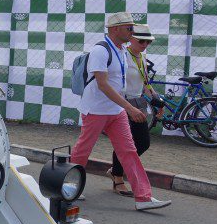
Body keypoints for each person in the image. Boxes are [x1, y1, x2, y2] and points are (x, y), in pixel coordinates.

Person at [70, 12, 170, 211]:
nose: (132, 32)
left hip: (116, 110)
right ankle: (70, 185)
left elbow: (127, 82)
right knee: (83, 150)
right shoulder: (100, 50)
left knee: (129, 151)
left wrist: (146, 99)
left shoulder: (123, 50)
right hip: (96, 110)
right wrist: (130, 107)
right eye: (129, 28)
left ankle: (143, 197)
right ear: (116, 29)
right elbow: (103, 85)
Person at [108, 24, 159, 196]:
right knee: (125, 143)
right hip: (123, 103)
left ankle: (116, 169)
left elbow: (145, 82)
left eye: (148, 42)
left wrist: (155, 98)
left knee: (143, 143)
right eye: (141, 41)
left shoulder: (141, 57)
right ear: (131, 39)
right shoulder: (122, 55)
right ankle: (118, 178)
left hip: (138, 103)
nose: (145, 45)